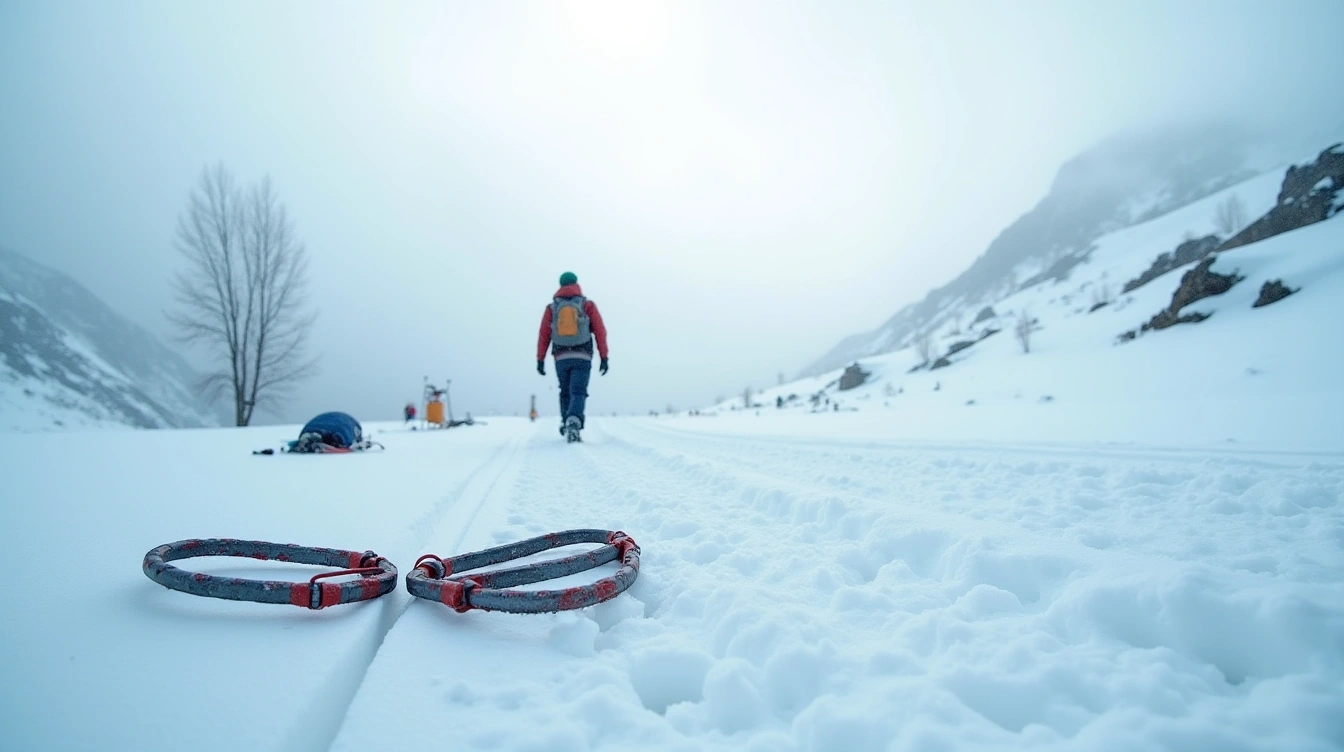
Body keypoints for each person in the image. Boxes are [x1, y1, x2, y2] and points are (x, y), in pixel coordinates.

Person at [536, 271, 608, 442]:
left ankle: (565, 420)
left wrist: (540, 359)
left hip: (561, 356)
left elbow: (543, 334)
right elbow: (600, 330)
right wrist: (604, 357)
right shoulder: (586, 305)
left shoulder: (552, 308)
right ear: (576, 283)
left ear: (560, 285)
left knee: (565, 391)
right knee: (578, 391)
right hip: (582, 355)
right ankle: (574, 421)